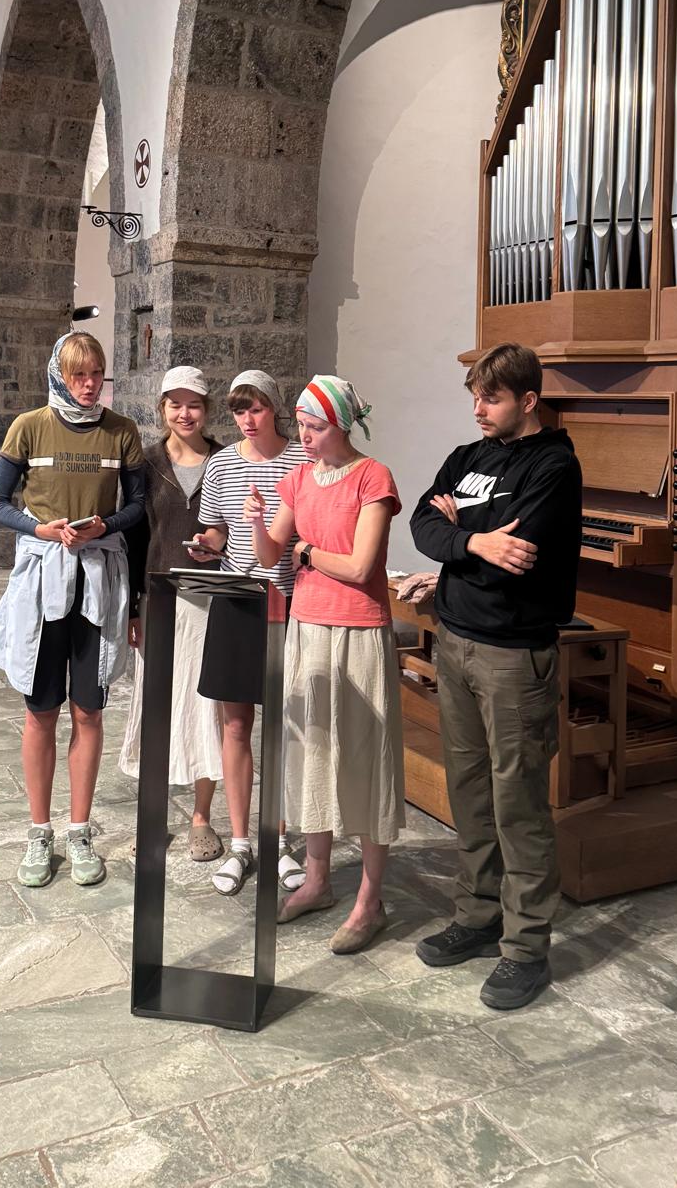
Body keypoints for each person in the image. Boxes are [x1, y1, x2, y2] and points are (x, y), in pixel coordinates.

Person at [409, 342, 581, 1010]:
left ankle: (526, 948)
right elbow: (424, 524)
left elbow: (520, 554)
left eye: (492, 398)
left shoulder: (553, 466)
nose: (478, 409)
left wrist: (462, 536)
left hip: (514, 654)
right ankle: (478, 916)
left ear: (528, 401)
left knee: (519, 803)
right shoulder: (467, 457)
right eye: (475, 397)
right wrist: (474, 540)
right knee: (470, 790)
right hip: (455, 641)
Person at [0, 331, 145, 890]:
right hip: (44, 580)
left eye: (96, 372)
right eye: (79, 374)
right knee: (40, 711)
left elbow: (138, 506)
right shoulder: (29, 427)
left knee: (89, 711)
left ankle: (79, 831)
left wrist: (105, 525)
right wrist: (41, 529)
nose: (89, 384)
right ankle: (38, 831)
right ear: (59, 374)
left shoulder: (121, 431)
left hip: (97, 581)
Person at [248, 375, 403, 954]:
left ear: (340, 425)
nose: (305, 437)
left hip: (359, 631)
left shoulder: (372, 477)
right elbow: (271, 556)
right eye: (302, 426)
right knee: (312, 753)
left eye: (314, 427)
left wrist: (306, 551)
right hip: (308, 626)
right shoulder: (297, 478)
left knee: (365, 756)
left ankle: (370, 898)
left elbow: (361, 566)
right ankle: (317, 881)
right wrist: (259, 523)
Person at [189, 369, 308, 897]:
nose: (248, 420)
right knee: (235, 726)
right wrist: (206, 544)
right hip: (237, 598)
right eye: (239, 411)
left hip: (292, 602)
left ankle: (276, 838)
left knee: (283, 726)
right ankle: (240, 842)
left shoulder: (301, 460)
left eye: (256, 408)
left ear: (274, 408)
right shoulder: (221, 463)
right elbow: (218, 529)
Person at [119, 366, 225, 861]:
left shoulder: (226, 461)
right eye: (175, 404)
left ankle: (201, 817)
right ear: (162, 409)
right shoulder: (146, 463)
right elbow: (135, 537)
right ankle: (153, 813)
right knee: (156, 703)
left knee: (206, 706)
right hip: (158, 598)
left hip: (211, 599)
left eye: (194, 404)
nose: (185, 414)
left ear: (207, 409)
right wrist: (133, 606)